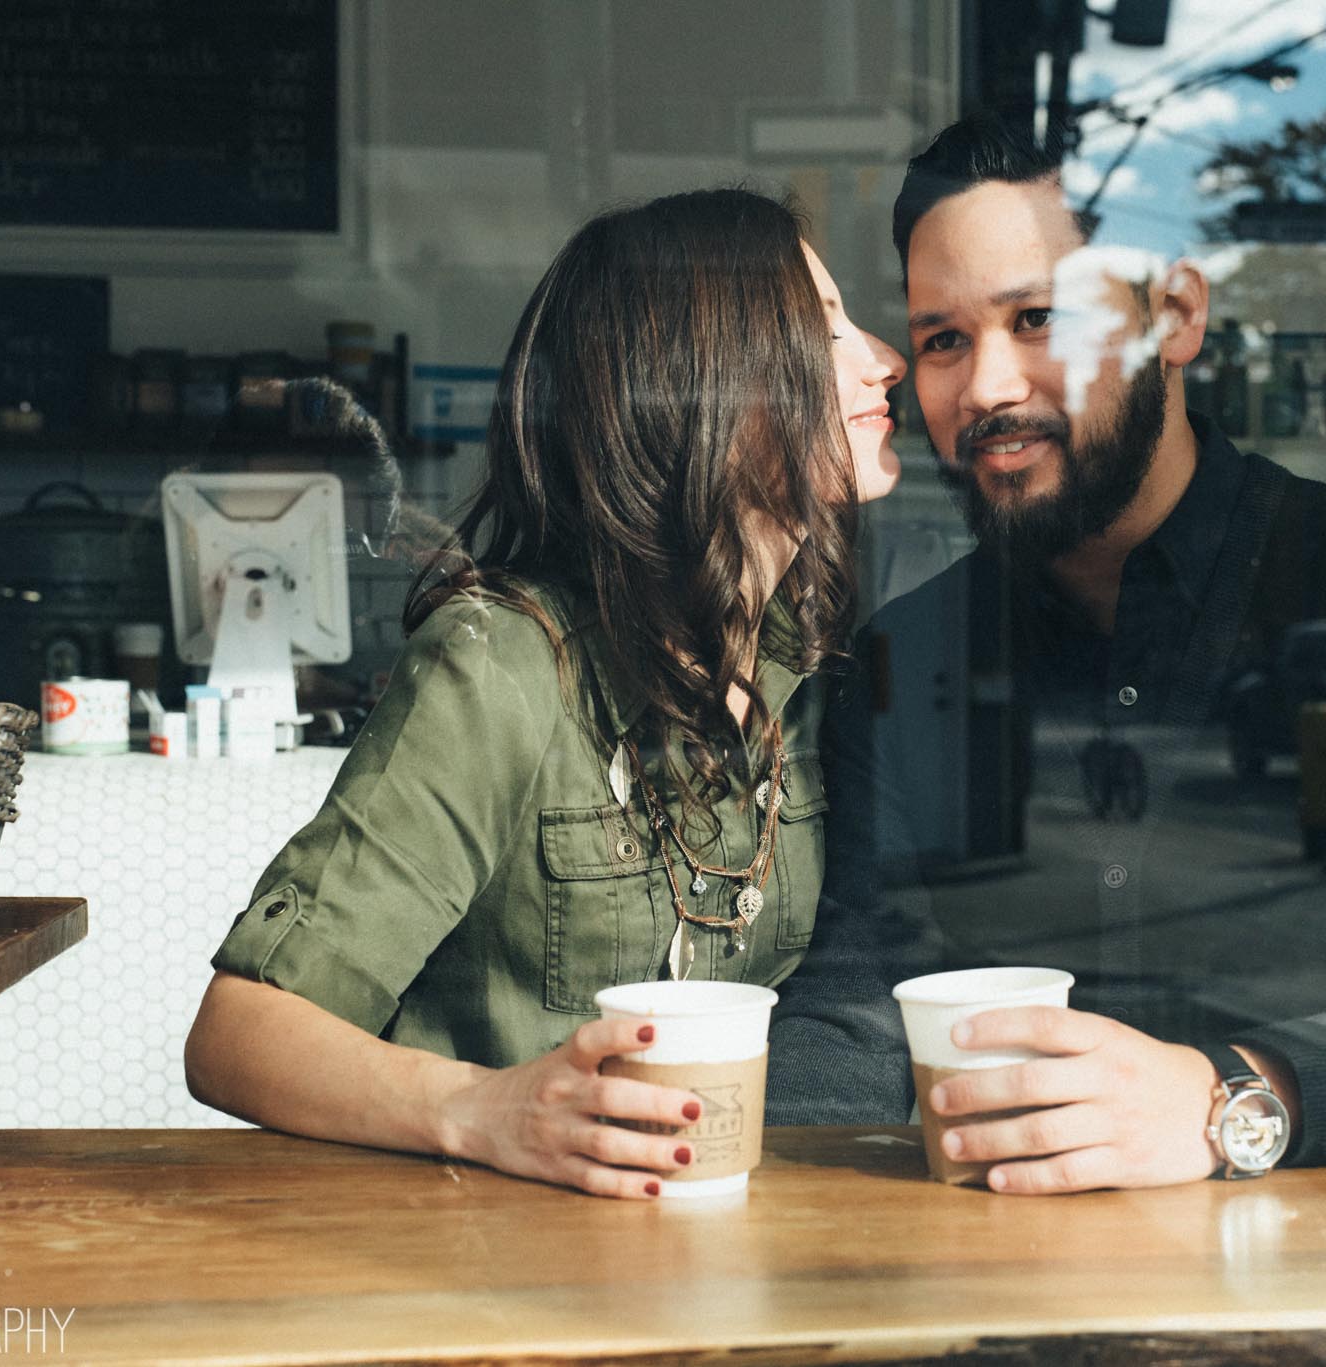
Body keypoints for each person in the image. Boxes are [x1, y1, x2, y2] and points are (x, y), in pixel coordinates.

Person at [766, 114, 1326, 1191]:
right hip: (993, 1283)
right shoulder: (907, 652)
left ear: (1172, 318)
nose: (984, 387)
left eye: (1038, 317)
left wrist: (1238, 1095)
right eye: (941, 339)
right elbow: (853, 1004)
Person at [186, 188, 907, 1200]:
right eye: (822, 327)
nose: (883, 357)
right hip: (483, 1258)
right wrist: (481, 1110)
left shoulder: (810, 670)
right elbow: (238, 1036)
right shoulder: (502, 665)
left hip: (701, 1245)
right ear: (701, 385)